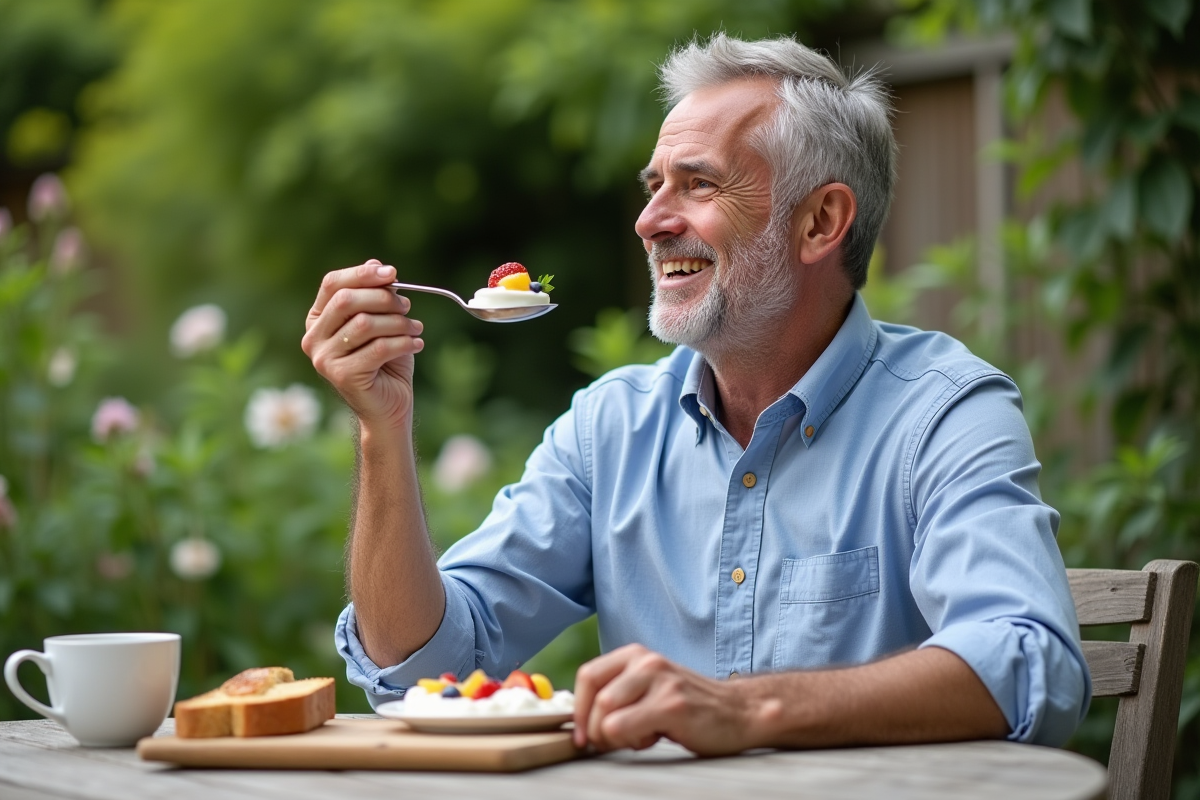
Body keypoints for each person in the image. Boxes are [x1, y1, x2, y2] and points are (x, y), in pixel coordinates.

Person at [302, 34, 1090, 755]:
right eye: (653, 185)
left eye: (698, 183)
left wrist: (745, 709)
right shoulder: (609, 430)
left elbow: (1031, 666)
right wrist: (384, 430)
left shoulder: (945, 414)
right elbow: (424, 665)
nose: (648, 220)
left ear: (821, 221)